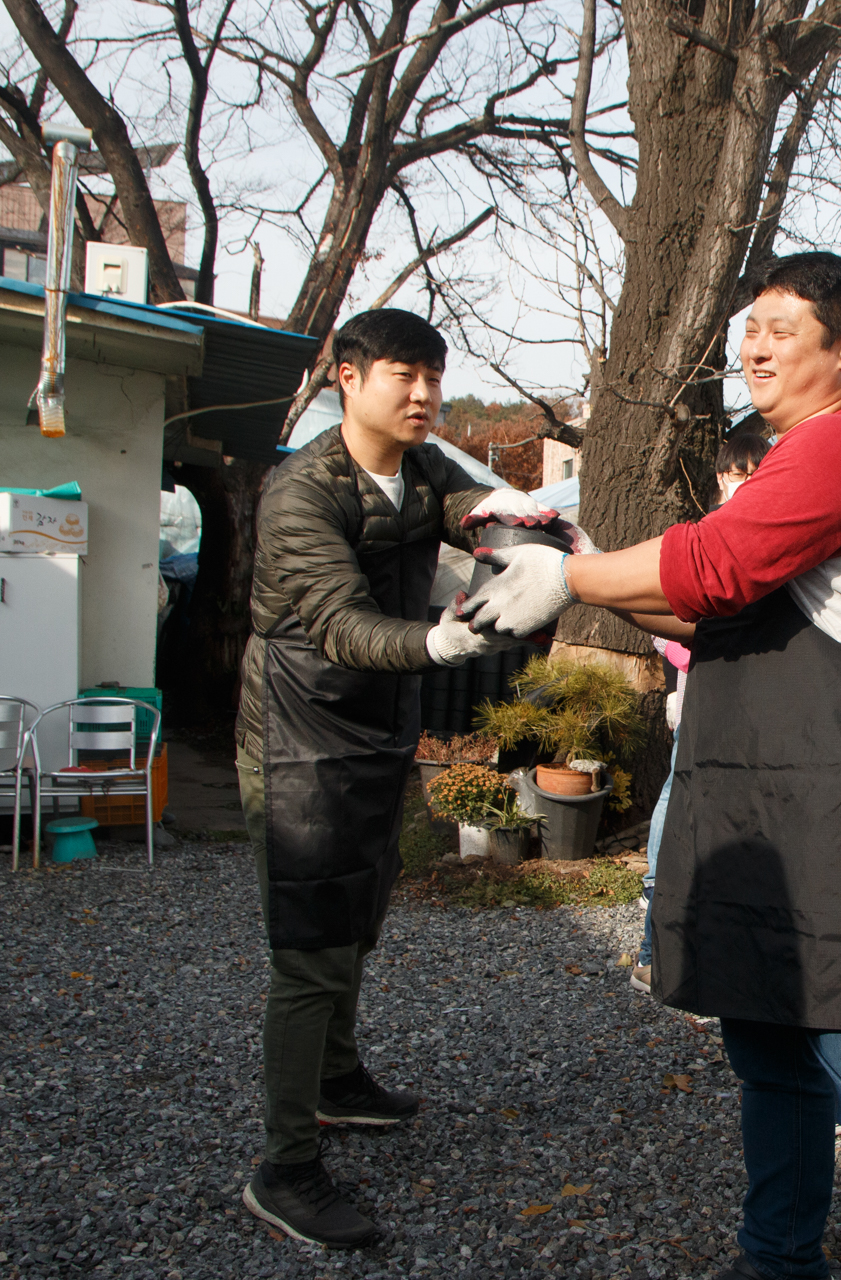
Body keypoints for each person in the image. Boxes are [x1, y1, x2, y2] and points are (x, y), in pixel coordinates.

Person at [466, 252, 841, 1280]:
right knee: (775, 1060)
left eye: (782, 326)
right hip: (780, 815)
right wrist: (579, 557)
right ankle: (776, 1259)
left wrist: (571, 573)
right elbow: (700, 601)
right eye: (750, 328)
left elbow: (714, 567)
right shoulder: (787, 463)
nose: (756, 345)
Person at [235, 308, 545, 1249]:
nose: (423, 396)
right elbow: (338, 624)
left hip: (376, 723)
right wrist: (439, 640)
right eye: (404, 376)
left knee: (361, 906)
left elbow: (464, 507)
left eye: (433, 378)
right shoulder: (301, 494)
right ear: (349, 377)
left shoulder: (421, 462)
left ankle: (336, 1080)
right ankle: (283, 1166)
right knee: (311, 941)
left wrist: (514, 522)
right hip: (300, 730)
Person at [632, 429, 772, 996]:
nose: (743, 484)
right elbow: (672, 619)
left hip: (747, 699)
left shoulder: (759, 533)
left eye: (754, 474)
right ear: (719, 478)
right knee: (678, 802)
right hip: (701, 694)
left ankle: (703, 952)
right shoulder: (703, 535)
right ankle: (652, 947)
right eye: (736, 474)